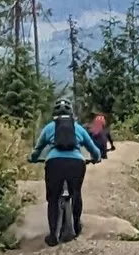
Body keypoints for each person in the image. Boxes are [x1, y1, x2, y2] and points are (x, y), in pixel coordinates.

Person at [30, 103, 103, 244]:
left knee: (53, 199)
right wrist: (97, 158)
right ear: (71, 115)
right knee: (76, 193)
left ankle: (52, 236)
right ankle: (76, 226)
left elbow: (38, 149)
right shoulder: (79, 128)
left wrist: (32, 158)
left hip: (54, 163)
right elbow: (93, 149)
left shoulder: (49, 128)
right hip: (76, 164)